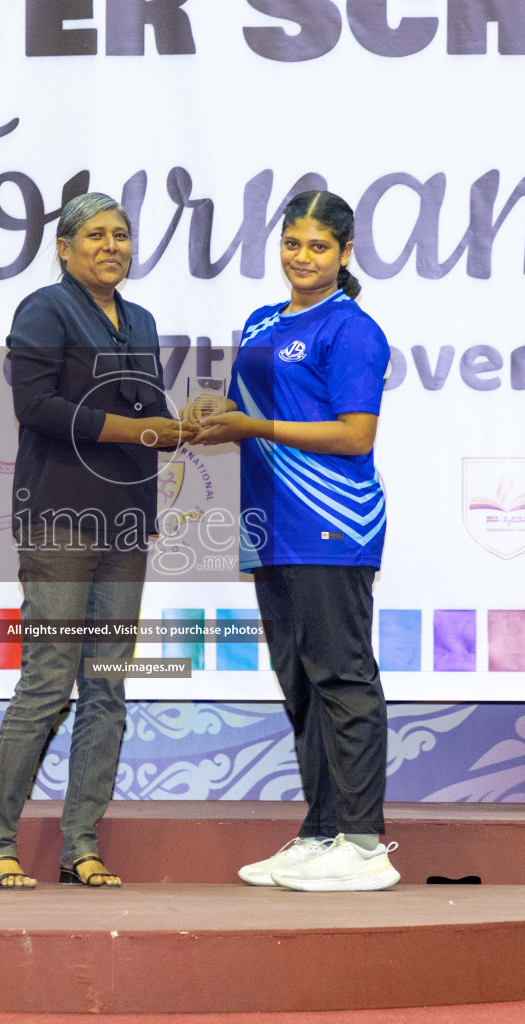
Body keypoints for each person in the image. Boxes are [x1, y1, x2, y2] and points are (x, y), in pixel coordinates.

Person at [0, 193, 186, 890]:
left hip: (124, 524)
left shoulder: (142, 319)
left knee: (108, 688)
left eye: (121, 234)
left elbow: (150, 410)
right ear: (64, 248)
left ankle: (81, 847)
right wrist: (136, 430)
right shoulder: (44, 309)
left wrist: (191, 423)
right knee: (47, 681)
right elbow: (35, 407)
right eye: (96, 235)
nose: (111, 245)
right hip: (58, 519)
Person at [190, 190, 398, 892]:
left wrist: (255, 429)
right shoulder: (259, 320)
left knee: (341, 675)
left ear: (344, 252)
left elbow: (354, 434)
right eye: (291, 244)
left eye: (317, 247)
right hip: (269, 523)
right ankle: (321, 832)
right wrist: (216, 413)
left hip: (331, 522)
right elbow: (249, 408)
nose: (301, 258)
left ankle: (365, 843)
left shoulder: (353, 330)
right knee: (300, 682)